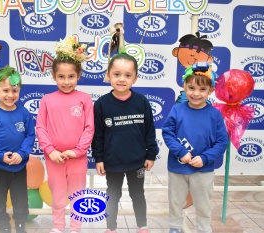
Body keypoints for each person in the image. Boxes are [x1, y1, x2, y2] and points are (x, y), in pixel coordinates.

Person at [91, 53, 159, 233]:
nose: (122, 79)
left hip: (137, 161)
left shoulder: (142, 102)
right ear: (108, 75)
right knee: (112, 196)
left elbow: (149, 130)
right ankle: (110, 228)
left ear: (135, 78)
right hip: (112, 163)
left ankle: (142, 226)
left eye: (128, 75)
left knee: (138, 194)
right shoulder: (101, 104)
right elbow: (97, 135)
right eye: (117, 74)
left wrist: (150, 154)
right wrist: (99, 158)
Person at [36, 35, 94, 233]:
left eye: (71, 77)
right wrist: (50, 150)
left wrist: (78, 151)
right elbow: (40, 127)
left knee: (78, 194)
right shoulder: (47, 100)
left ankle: (75, 228)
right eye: (61, 77)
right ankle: (59, 227)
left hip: (77, 158)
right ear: (53, 76)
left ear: (79, 76)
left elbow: (89, 128)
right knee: (58, 195)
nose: (66, 81)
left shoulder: (84, 99)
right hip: (54, 159)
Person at [162, 63, 228, 233]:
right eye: (191, 88)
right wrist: (181, 152)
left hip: (203, 170)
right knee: (176, 201)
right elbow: (167, 133)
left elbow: (222, 142)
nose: (196, 93)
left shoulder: (215, 115)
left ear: (210, 90)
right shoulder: (177, 110)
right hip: (178, 167)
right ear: (184, 86)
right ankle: (175, 227)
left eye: (202, 89)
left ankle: (203, 229)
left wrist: (205, 158)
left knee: (203, 203)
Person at [0, 66, 35, 233]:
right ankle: (3, 223)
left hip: (19, 166)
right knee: (0, 198)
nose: (10, 95)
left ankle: (20, 223)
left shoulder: (24, 113)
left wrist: (22, 153)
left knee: (20, 198)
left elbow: (30, 136)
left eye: (15, 90)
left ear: (20, 90)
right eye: (5, 90)